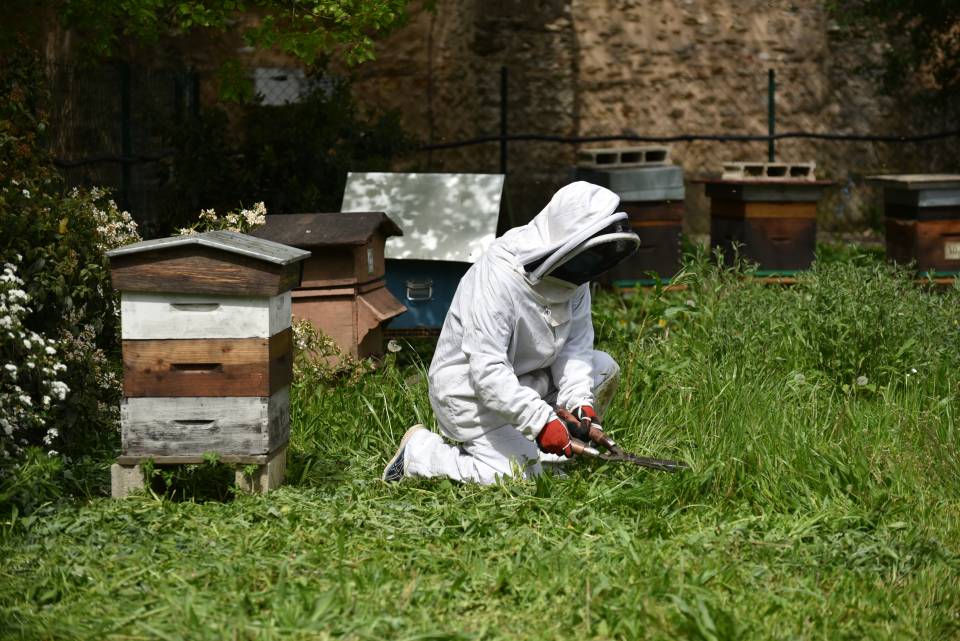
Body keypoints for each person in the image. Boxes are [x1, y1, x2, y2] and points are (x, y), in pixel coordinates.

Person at [382, 181, 639, 484]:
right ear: (566, 239)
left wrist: (579, 404)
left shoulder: (575, 275)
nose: (590, 265)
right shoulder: (499, 277)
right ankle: (420, 454)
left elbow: (575, 349)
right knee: (519, 476)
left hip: (528, 381)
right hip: (470, 395)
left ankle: (547, 448)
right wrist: (541, 422)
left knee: (603, 368)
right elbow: (488, 371)